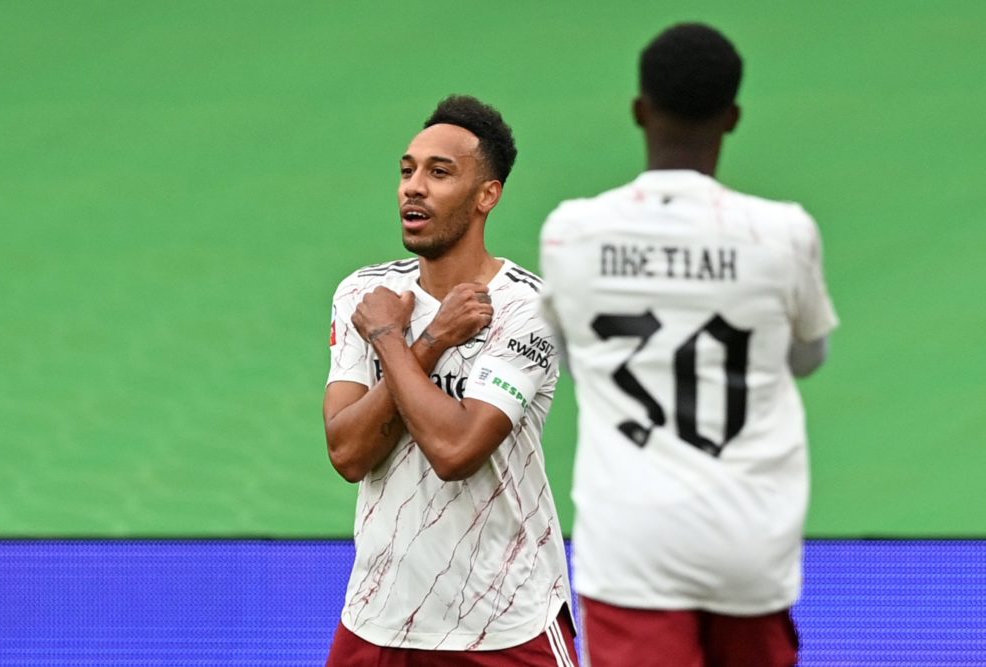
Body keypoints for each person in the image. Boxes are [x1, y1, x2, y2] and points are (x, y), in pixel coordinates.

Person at [539, 23, 839, 667]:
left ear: (639, 110)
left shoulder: (572, 232)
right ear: (732, 117)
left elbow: (571, 349)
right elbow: (809, 356)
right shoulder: (784, 232)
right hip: (749, 543)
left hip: (631, 544)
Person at [323, 95, 577, 666]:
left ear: (488, 195)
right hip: (377, 620)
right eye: (408, 170)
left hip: (504, 626)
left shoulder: (526, 309)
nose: (414, 187)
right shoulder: (365, 297)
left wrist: (391, 342)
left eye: (440, 173)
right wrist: (427, 341)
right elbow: (347, 453)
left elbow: (456, 449)